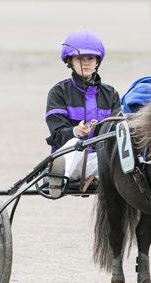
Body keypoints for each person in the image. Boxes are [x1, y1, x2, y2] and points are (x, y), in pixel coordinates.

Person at [45, 29, 120, 197]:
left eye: (90, 58)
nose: (85, 63)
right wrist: (75, 132)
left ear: (97, 62)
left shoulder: (111, 93)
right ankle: (57, 176)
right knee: (74, 144)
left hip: (100, 162)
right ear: (70, 61)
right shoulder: (58, 92)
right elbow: (56, 134)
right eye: (79, 58)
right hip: (70, 160)